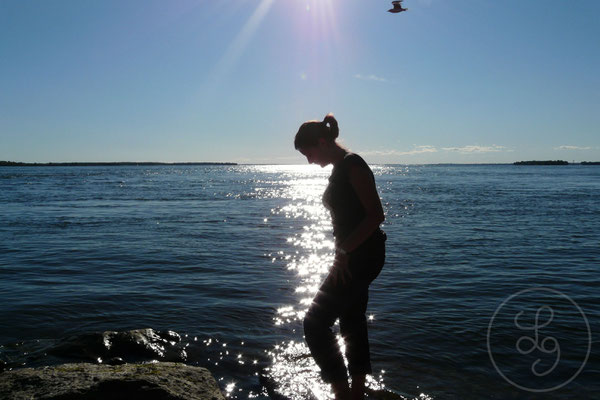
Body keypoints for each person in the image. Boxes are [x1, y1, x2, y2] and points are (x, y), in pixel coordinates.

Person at [294, 113, 387, 400]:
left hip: (363, 255)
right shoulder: (339, 168)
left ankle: (341, 393)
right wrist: (342, 251)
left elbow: (375, 215)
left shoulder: (352, 164)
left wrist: (345, 252)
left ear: (322, 142)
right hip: (353, 255)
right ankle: (355, 393)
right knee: (352, 320)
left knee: (314, 323)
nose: (309, 161)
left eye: (309, 153)